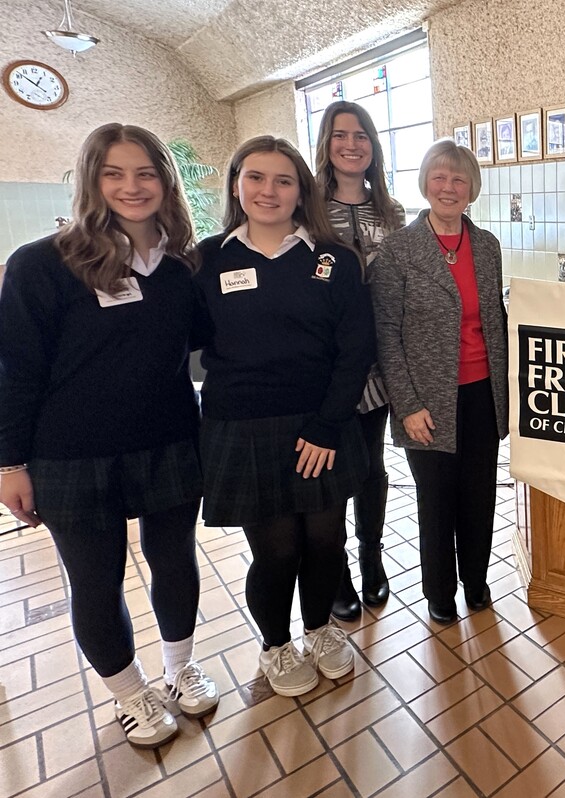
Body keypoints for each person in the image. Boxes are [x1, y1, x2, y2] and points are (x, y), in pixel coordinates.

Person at [0, 123, 218, 749]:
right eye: (114, 173)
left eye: (146, 173)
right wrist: (11, 461)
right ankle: (131, 694)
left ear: (165, 181)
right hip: (70, 455)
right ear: (93, 181)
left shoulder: (181, 267)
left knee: (174, 560)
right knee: (97, 580)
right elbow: (16, 371)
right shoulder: (42, 263)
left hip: (170, 439)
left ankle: (179, 668)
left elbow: (208, 346)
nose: (132, 186)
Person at [194, 136, 375, 697]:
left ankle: (320, 631)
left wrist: (326, 425)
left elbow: (356, 349)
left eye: (283, 180)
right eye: (255, 178)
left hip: (322, 424)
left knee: (325, 542)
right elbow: (192, 344)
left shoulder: (333, 259)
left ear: (302, 190)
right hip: (242, 427)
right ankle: (276, 644)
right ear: (235, 184)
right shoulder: (208, 259)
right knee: (275, 550)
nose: (268, 191)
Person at [369, 139, 508, 626]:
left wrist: (507, 398)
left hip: (482, 392)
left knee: (480, 493)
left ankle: (476, 578)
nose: (448, 187)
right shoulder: (399, 250)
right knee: (436, 498)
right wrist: (407, 404)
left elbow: (495, 320)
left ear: (472, 188)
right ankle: (439, 591)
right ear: (425, 182)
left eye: (459, 179)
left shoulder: (486, 246)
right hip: (426, 401)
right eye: (439, 177)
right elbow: (385, 335)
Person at [314, 101, 407, 621]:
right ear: (326, 144)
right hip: (325, 369)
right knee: (332, 471)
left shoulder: (391, 213)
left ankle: (372, 557)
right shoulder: (306, 211)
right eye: (340, 135)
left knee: (372, 467)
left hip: (378, 368)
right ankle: (338, 570)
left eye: (362, 136)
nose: (352, 145)